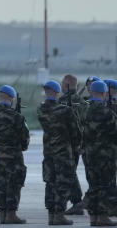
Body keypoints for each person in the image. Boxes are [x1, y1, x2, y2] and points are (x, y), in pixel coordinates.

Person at [38, 79, 81, 226]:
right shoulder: (65, 110)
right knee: (63, 183)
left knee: (50, 182)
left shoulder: (41, 109)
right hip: (63, 152)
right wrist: (76, 149)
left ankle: (51, 214)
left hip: (48, 152)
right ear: (57, 92)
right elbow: (75, 133)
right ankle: (59, 215)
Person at [0, 85, 28, 225]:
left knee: (0, 184)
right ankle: (11, 214)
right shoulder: (16, 116)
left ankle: (3, 214)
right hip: (13, 156)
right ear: (11, 98)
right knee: (13, 184)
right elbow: (24, 140)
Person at [82, 80, 117, 227]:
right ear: (103, 93)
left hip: (89, 155)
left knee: (93, 185)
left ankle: (93, 217)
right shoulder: (107, 112)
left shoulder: (84, 110)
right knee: (105, 186)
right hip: (105, 156)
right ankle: (102, 216)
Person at [59, 74, 89, 216]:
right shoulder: (83, 103)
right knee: (71, 171)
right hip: (79, 143)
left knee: (67, 172)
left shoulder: (63, 101)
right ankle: (76, 201)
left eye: (62, 83)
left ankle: (76, 202)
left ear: (66, 85)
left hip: (64, 143)